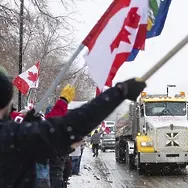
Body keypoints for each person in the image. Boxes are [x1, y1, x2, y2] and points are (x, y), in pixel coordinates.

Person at [0, 68, 146, 187]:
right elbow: (72, 124)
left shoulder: (14, 134)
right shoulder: (13, 136)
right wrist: (119, 92)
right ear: (6, 100)